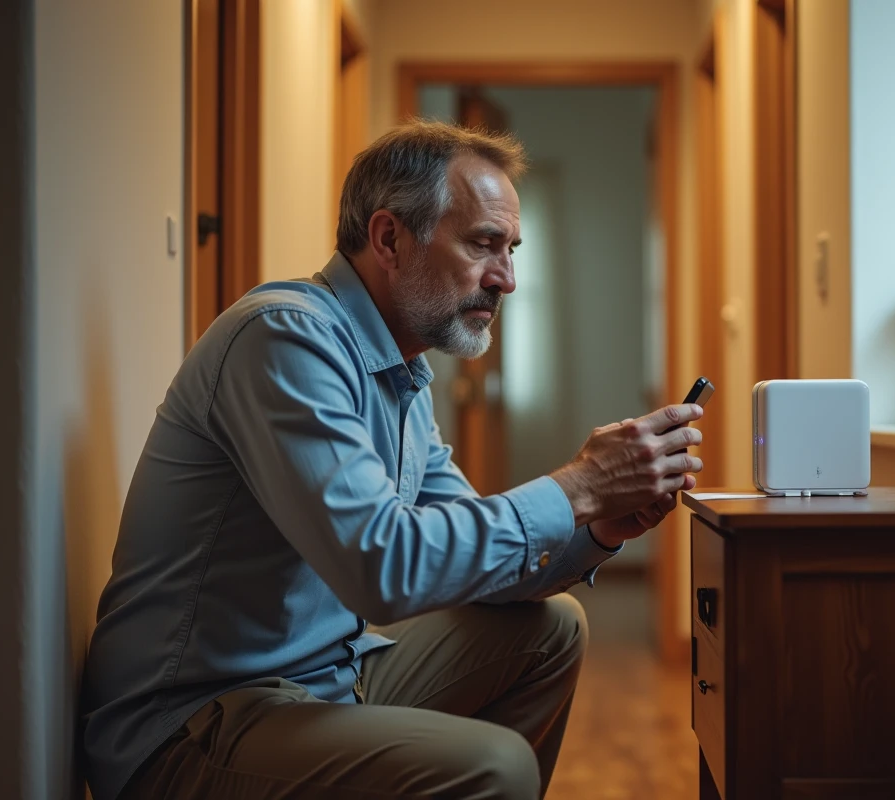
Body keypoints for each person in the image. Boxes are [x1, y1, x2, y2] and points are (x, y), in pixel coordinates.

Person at [80, 120, 705, 800]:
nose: (508, 279)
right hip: (191, 725)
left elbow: (472, 558)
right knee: (495, 767)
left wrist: (597, 526)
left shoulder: (400, 372)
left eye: (512, 250)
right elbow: (384, 570)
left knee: (549, 631)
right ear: (388, 239)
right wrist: (579, 485)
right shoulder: (285, 339)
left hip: (321, 679)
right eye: (483, 244)